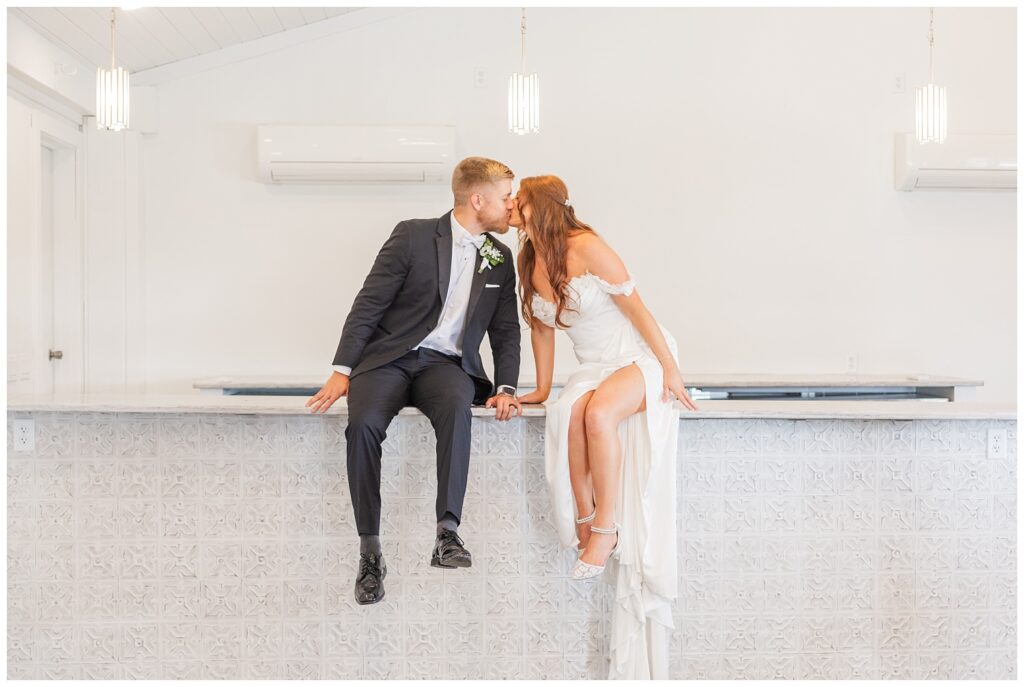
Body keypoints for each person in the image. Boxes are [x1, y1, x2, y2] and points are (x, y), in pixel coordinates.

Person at [307, 157, 523, 605]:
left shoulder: (499, 257)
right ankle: (370, 550)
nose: (511, 207)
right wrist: (342, 370)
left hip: (445, 365)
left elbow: (505, 330)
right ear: (477, 199)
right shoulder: (413, 234)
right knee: (363, 424)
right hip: (388, 359)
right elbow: (369, 303)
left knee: (457, 410)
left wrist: (505, 387)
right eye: (505, 198)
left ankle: (448, 533)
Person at [511, 175, 698, 679]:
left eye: (517, 199)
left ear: (540, 206)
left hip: (637, 358)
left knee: (597, 414)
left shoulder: (588, 247)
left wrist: (672, 372)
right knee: (568, 413)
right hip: (594, 365)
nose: (510, 206)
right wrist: (540, 388)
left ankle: (606, 529)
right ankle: (584, 515)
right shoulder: (527, 258)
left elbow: (638, 311)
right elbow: (543, 331)